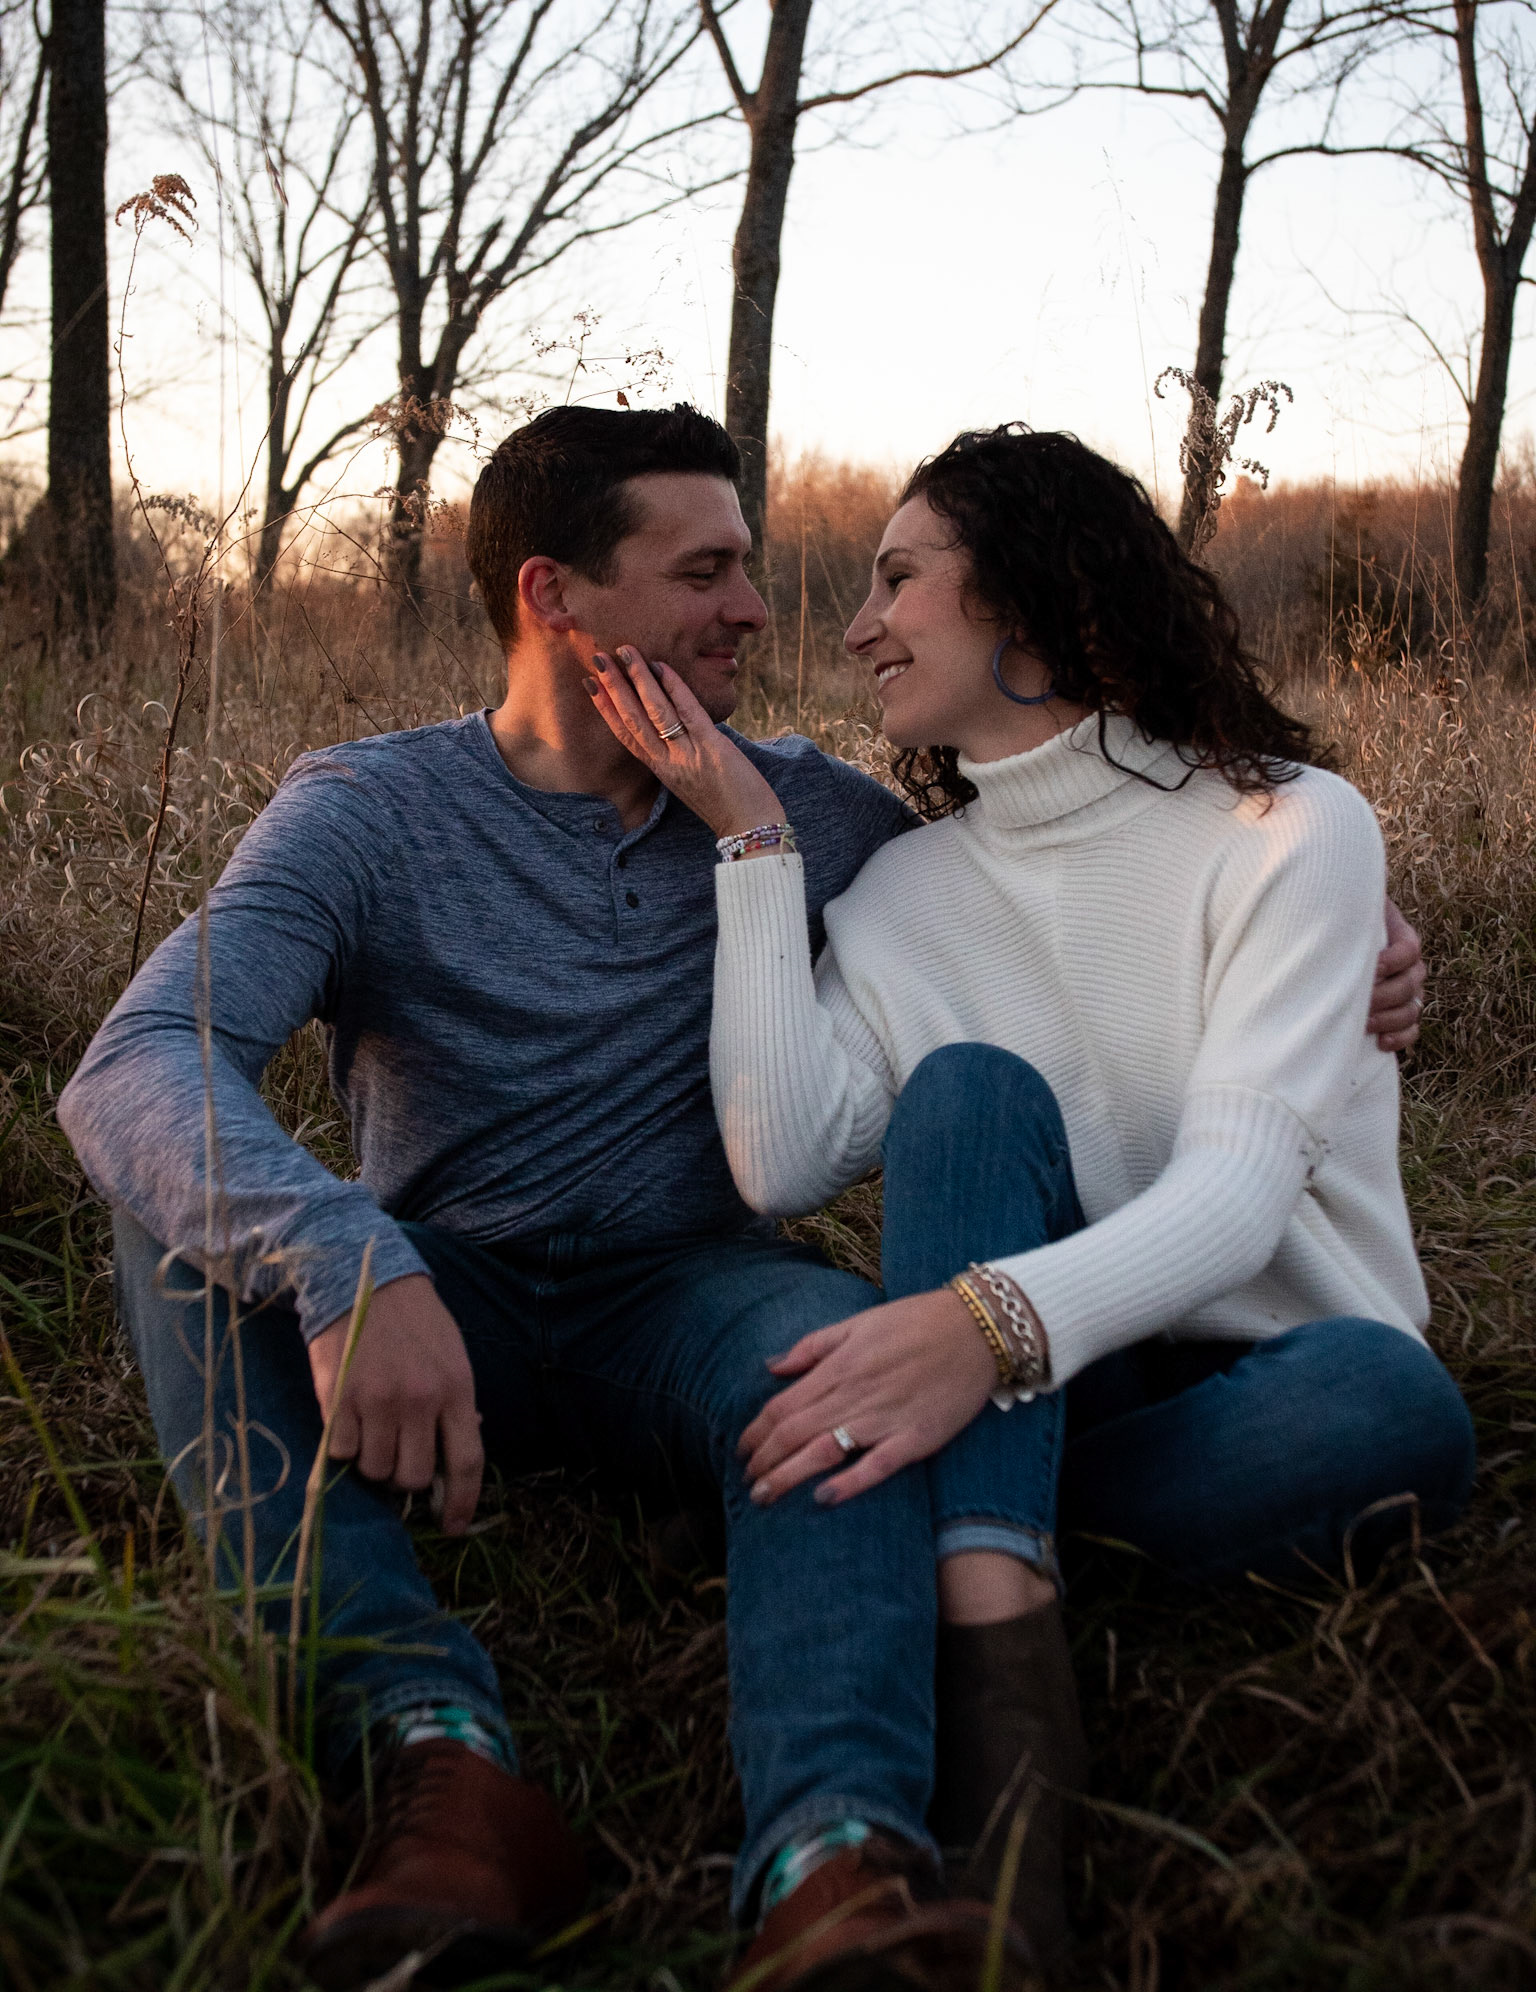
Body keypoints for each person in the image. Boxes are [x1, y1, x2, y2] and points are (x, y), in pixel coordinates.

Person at [58, 405, 1424, 1992]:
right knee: (183, 1229)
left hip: (692, 1297)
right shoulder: (369, 811)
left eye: (759, 570)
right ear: (554, 595)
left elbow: (1076, 857)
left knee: (840, 1349)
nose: (763, 613)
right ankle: (432, 1756)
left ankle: (834, 1859)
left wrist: (1372, 946)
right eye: (704, 572)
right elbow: (140, 1059)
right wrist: (343, 1253)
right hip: (452, 1286)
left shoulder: (829, 819)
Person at [585, 422, 1475, 1979]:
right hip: (1053, 1391)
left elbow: (1240, 1195)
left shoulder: (1289, 825)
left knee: (1388, 1399)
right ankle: (998, 1669)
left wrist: (977, 1330)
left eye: (899, 580)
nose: (856, 628)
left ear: (1033, 600)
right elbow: (781, 1160)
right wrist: (754, 844)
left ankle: (913, 1530)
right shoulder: (908, 893)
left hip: (1270, 1376)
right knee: (970, 1093)